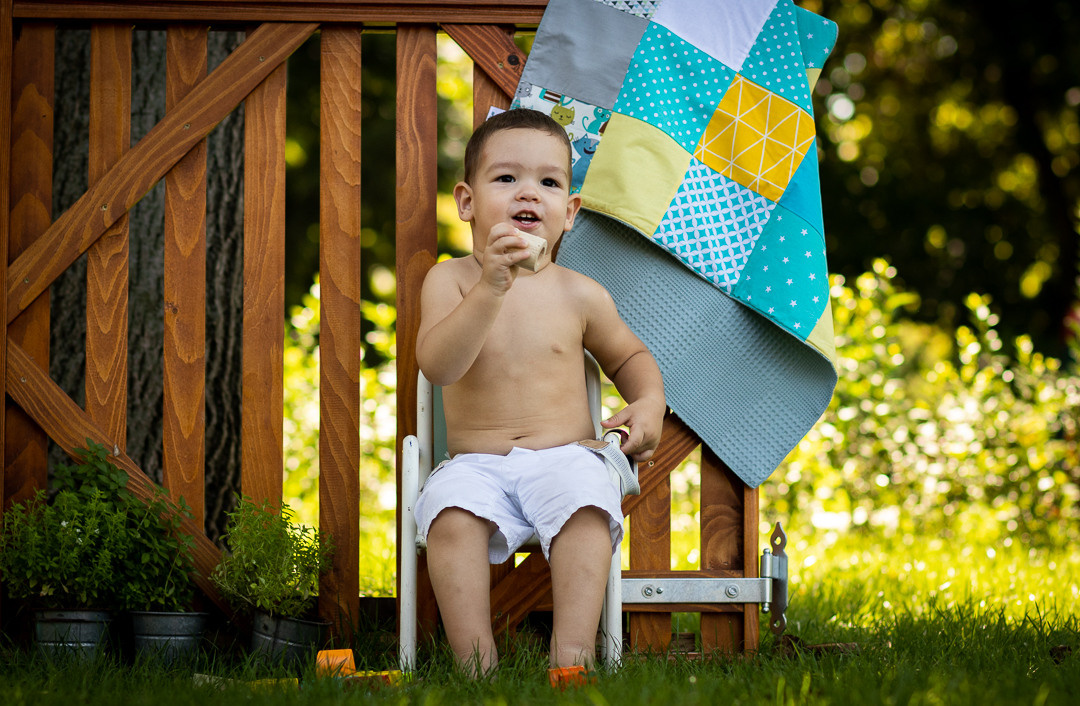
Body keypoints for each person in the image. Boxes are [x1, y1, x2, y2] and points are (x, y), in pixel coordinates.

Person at [413, 108, 666, 678]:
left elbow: (630, 356)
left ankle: (571, 659)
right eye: (506, 178)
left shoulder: (580, 294)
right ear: (467, 202)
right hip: (476, 464)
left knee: (588, 509)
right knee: (449, 518)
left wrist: (649, 403)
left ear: (568, 212)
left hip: (565, 457)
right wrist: (490, 288)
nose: (529, 192)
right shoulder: (450, 280)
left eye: (549, 182)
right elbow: (438, 365)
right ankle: (475, 665)